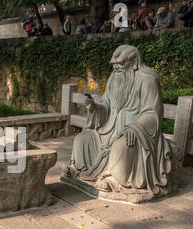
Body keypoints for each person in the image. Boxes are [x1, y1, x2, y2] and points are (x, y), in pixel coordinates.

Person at [64, 45, 176, 195]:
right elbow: (106, 105)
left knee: (120, 146)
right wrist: (94, 108)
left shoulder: (148, 79)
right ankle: (78, 168)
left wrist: (135, 128)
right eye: (114, 65)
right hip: (108, 130)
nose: (116, 68)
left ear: (134, 62)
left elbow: (153, 113)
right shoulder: (113, 78)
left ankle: (113, 178)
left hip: (135, 133)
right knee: (82, 139)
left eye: (121, 64)